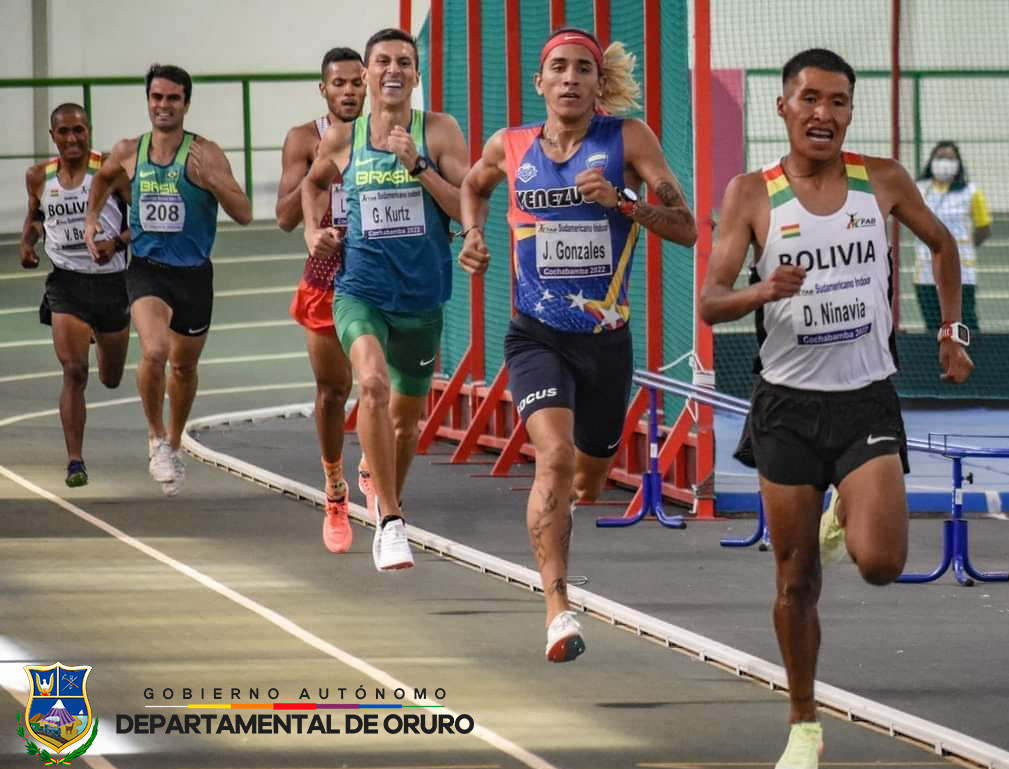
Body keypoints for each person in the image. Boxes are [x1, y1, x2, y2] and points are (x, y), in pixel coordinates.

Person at [697, 49, 973, 769]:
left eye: (839, 101)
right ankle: (803, 725)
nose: (824, 113)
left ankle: (844, 512)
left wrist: (952, 331)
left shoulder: (878, 180)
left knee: (882, 564)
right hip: (786, 406)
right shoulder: (752, 194)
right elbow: (710, 299)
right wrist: (765, 292)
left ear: (850, 112)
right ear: (784, 109)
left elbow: (942, 246)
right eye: (810, 99)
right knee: (795, 583)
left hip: (865, 401)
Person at [458, 28, 697, 662]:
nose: (569, 78)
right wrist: (473, 234)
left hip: (605, 343)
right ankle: (557, 608)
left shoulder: (627, 141)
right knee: (554, 460)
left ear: (598, 85)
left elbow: (688, 229)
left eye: (582, 70)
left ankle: (565, 526)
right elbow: (474, 185)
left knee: (587, 480)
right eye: (558, 68)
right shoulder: (510, 146)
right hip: (534, 335)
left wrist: (622, 202)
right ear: (540, 83)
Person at [302, 28, 468, 570]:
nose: (393, 69)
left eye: (404, 61)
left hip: (421, 298)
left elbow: (467, 207)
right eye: (382, 61)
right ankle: (391, 522)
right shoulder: (343, 138)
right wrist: (312, 232)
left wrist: (419, 165)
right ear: (368, 74)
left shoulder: (439, 131)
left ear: (416, 76)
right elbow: (312, 183)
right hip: (360, 291)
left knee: (405, 420)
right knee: (369, 384)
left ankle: (380, 480)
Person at [86, 63, 252, 496]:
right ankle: (156, 437)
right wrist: (91, 223)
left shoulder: (206, 153)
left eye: (173, 98)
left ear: (186, 104)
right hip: (147, 269)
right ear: (148, 101)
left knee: (184, 365)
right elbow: (101, 179)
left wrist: (214, 181)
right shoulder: (129, 151)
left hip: (194, 274)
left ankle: (175, 442)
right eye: (156, 97)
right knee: (155, 350)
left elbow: (245, 213)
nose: (163, 105)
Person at [276, 47, 366, 553]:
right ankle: (335, 487)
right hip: (327, 275)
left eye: (357, 82)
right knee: (335, 390)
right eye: (340, 83)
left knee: (387, 385)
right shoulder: (304, 138)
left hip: (378, 273)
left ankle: (372, 463)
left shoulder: (383, 136)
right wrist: (320, 171)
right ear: (323, 89)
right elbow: (285, 218)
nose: (350, 91)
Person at [19, 103, 130, 487]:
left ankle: (99, 333)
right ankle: (75, 461)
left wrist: (115, 245)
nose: (72, 138)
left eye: (79, 130)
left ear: (90, 131)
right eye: (64, 131)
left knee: (112, 379)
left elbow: (144, 222)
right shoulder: (38, 176)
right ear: (53, 137)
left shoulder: (112, 172)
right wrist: (27, 243)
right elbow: (35, 218)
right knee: (74, 371)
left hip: (113, 282)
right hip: (66, 283)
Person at [913, 140, 991, 331]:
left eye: (950, 158)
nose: (944, 162)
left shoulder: (971, 192)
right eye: (940, 157)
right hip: (926, 273)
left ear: (958, 163)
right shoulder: (918, 189)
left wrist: (964, 249)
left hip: (961, 272)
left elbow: (983, 228)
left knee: (965, 322)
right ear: (931, 161)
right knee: (933, 325)